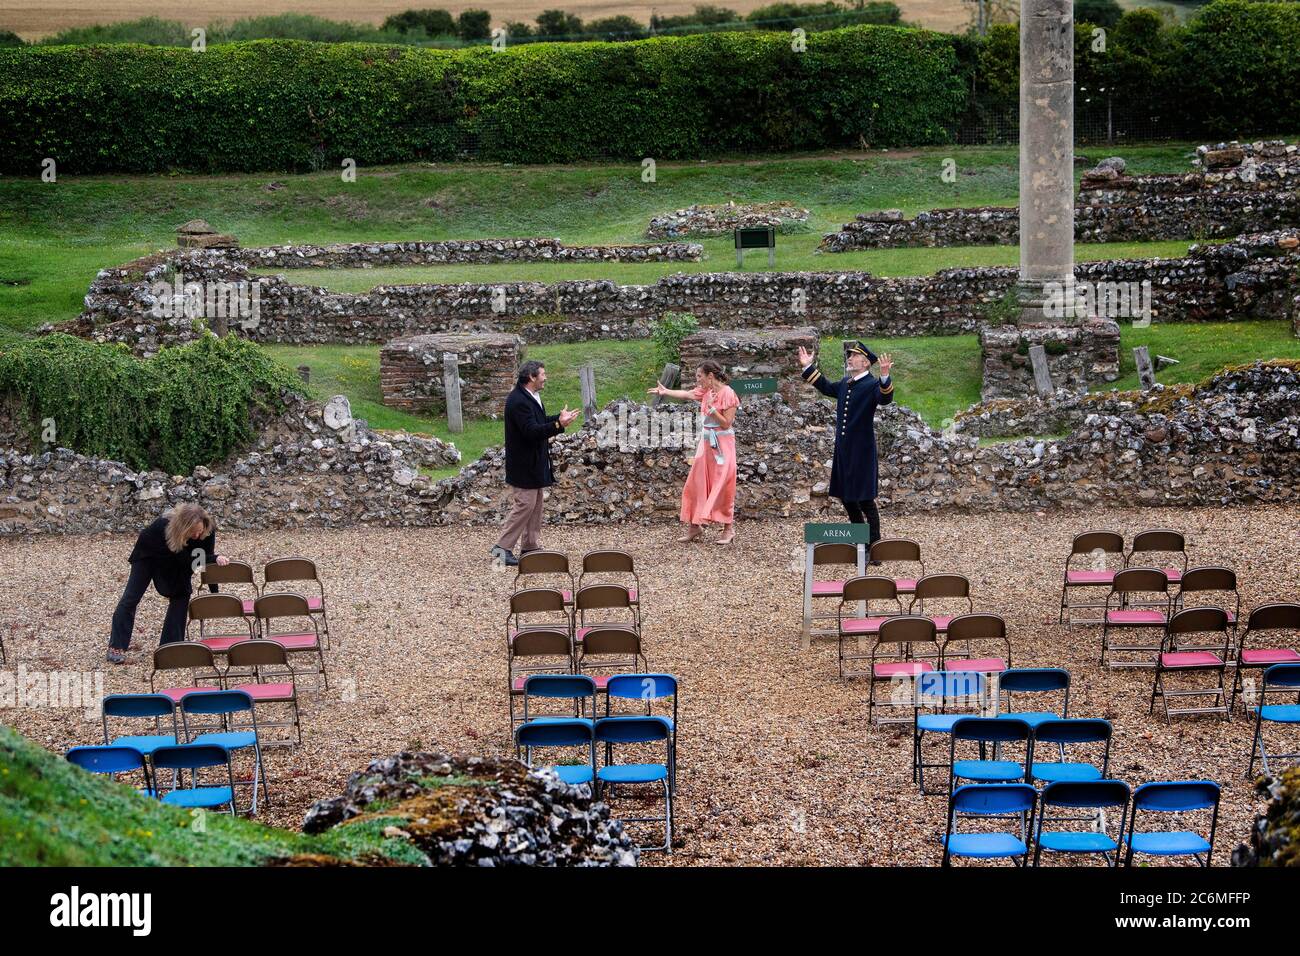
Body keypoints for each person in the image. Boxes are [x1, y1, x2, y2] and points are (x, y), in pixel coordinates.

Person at [796, 341, 895, 548]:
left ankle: (875, 546)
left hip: (862, 452)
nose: (849, 359)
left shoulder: (872, 385)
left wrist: (884, 376)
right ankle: (861, 540)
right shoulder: (845, 383)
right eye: (849, 356)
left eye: (854, 356)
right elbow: (824, 386)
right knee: (847, 497)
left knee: (865, 500)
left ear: (866, 363)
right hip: (844, 451)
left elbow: (884, 398)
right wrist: (807, 366)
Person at [107, 502, 230, 663]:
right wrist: (213, 558)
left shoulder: (207, 530)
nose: (196, 536)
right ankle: (116, 646)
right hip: (149, 555)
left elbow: (202, 560)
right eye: (192, 532)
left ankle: (171, 646)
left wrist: (215, 592)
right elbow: (188, 561)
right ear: (183, 528)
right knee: (131, 597)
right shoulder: (165, 527)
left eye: (199, 532)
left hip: (178, 558)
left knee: (183, 593)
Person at [491, 359, 581, 567]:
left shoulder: (530, 397)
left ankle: (530, 545)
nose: (545, 377)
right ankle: (502, 548)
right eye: (542, 374)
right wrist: (558, 424)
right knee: (524, 505)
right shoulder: (519, 401)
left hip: (535, 461)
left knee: (536, 504)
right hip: (524, 463)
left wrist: (557, 418)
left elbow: (537, 423)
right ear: (531, 377)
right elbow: (531, 432)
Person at [648, 359, 740, 545]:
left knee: (723, 485)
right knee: (695, 484)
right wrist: (666, 391)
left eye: (699, 376)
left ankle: (728, 529)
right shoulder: (706, 391)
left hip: (723, 445)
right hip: (705, 445)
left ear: (710, 376)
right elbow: (688, 394)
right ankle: (695, 526)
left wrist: (713, 409)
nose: (697, 380)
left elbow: (726, 423)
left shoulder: (728, 393)